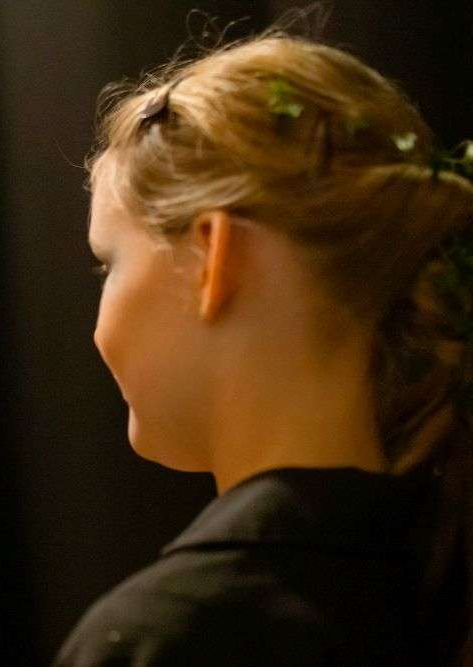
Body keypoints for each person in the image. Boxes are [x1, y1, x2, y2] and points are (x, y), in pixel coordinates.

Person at [56, 34, 473, 666]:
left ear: (211, 256)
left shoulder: (174, 637)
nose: (96, 327)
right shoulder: (435, 585)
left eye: (108, 264)